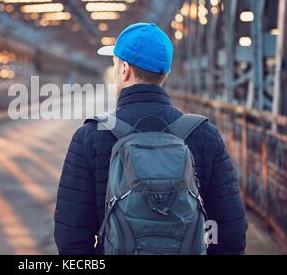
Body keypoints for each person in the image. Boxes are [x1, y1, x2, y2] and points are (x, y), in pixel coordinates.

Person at [54, 23, 248, 255]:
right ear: (165, 73)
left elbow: (71, 238)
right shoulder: (204, 134)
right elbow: (230, 233)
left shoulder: (90, 137)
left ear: (124, 69)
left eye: (115, 65)